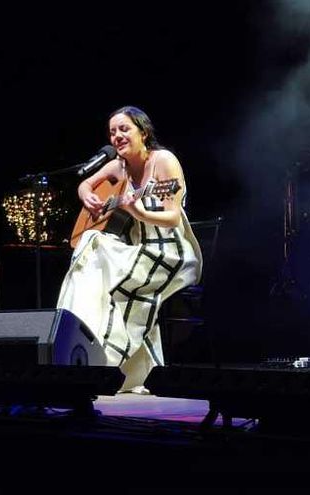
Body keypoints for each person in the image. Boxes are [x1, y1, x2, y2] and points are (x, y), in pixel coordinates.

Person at [57, 106, 203, 393]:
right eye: (112, 131)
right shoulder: (120, 166)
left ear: (143, 132)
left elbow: (173, 217)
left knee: (105, 269)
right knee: (90, 247)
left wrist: (138, 212)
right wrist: (87, 194)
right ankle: (74, 350)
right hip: (139, 250)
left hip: (170, 252)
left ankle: (99, 363)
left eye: (124, 129)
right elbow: (86, 183)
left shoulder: (164, 161)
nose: (117, 136)